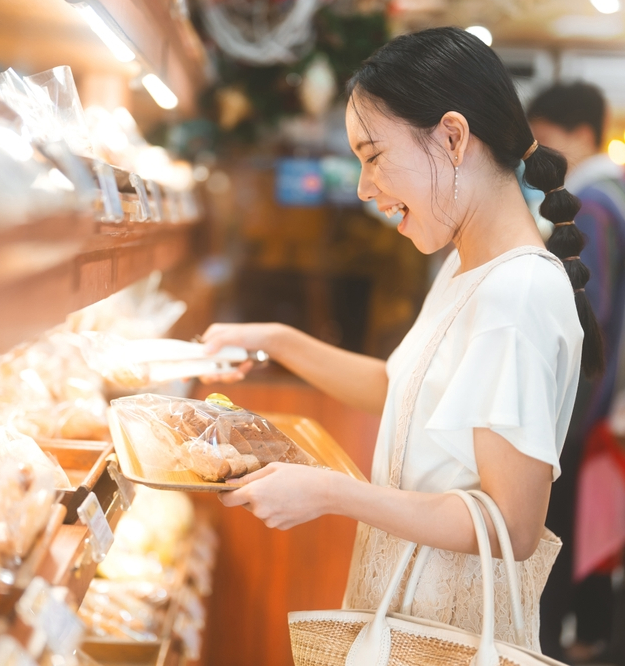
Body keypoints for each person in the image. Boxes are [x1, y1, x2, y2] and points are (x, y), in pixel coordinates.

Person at [201, 27, 603, 650]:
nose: (364, 187)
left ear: (452, 136)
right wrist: (276, 340)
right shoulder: (467, 265)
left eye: (373, 155)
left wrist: (335, 494)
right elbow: (400, 387)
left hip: (451, 635)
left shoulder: (516, 292)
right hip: (406, 613)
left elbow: (512, 527)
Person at [528, 82, 625, 661]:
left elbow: (588, 315)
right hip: (601, 398)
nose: (537, 154)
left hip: (580, 403)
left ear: (581, 136)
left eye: (546, 139)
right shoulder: (610, 195)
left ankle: (555, 646)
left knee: (559, 535)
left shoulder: (592, 202)